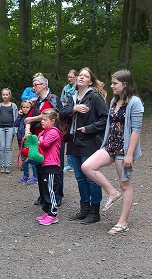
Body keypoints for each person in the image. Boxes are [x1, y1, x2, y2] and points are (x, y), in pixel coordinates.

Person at [82, 69, 143, 235]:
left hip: (124, 149)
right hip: (109, 146)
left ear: (125, 84)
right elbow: (110, 125)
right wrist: (104, 144)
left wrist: (129, 155)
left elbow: (136, 130)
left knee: (125, 184)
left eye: (115, 83)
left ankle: (122, 223)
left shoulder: (135, 102)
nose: (111, 86)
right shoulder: (114, 101)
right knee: (87, 166)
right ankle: (111, 192)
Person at [59, 67, 108, 224]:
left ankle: (95, 211)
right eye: (80, 75)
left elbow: (105, 119)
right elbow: (61, 113)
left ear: (90, 81)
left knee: (91, 178)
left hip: (89, 142)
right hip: (73, 141)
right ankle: (84, 209)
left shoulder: (94, 97)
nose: (81, 77)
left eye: (85, 76)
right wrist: (74, 108)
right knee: (80, 178)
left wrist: (88, 129)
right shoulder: (71, 95)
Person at [25, 75, 64, 206]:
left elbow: (55, 113)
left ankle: (56, 196)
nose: (33, 87)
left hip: (53, 139)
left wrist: (32, 119)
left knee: (54, 167)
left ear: (44, 85)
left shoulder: (53, 99)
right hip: (39, 138)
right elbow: (27, 118)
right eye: (33, 85)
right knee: (40, 167)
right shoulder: (36, 102)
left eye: (36, 84)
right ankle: (43, 195)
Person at [35, 108, 62, 226]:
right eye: (42, 119)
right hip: (43, 164)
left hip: (51, 165)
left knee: (51, 190)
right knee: (44, 189)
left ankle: (53, 214)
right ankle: (47, 211)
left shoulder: (54, 132)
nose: (42, 121)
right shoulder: (45, 131)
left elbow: (44, 143)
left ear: (52, 121)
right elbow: (37, 139)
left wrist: (39, 140)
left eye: (45, 120)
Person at [0, 88, 18, 174]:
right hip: (0, 128)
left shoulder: (13, 105)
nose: (5, 96)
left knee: (8, 147)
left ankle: (8, 165)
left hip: (10, 127)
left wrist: (16, 129)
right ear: (1, 95)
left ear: (10, 95)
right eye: (3, 95)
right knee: (2, 147)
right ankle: (2, 165)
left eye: (7, 94)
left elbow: (16, 117)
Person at [14, 100, 38, 184]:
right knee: (23, 158)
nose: (25, 109)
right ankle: (25, 175)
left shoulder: (32, 118)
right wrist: (19, 116)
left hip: (29, 141)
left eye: (27, 107)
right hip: (21, 141)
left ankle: (35, 176)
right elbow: (15, 124)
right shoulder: (21, 117)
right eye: (23, 107)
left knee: (31, 158)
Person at [60, 69, 79, 172]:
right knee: (67, 137)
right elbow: (62, 100)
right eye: (68, 77)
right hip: (67, 114)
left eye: (72, 77)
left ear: (76, 77)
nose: (70, 79)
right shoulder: (65, 88)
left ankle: (75, 162)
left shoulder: (78, 88)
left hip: (76, 114)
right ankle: (69, 163)